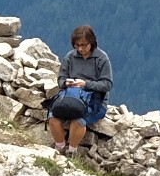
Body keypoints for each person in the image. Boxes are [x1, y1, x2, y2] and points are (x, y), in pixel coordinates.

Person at [48, 25, 113, 156]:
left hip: (94, 101)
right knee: (53, 117)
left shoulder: (101, 59)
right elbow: (61, 78)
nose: (80, 49)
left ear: (92, 43)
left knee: (78, 120)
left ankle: (72, 151)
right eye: (77, 45)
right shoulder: (70, 57)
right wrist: (67, 82)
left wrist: (86, 84)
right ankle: (60, 147)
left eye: (84, 45)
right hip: (71, 97)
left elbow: (107, 84)